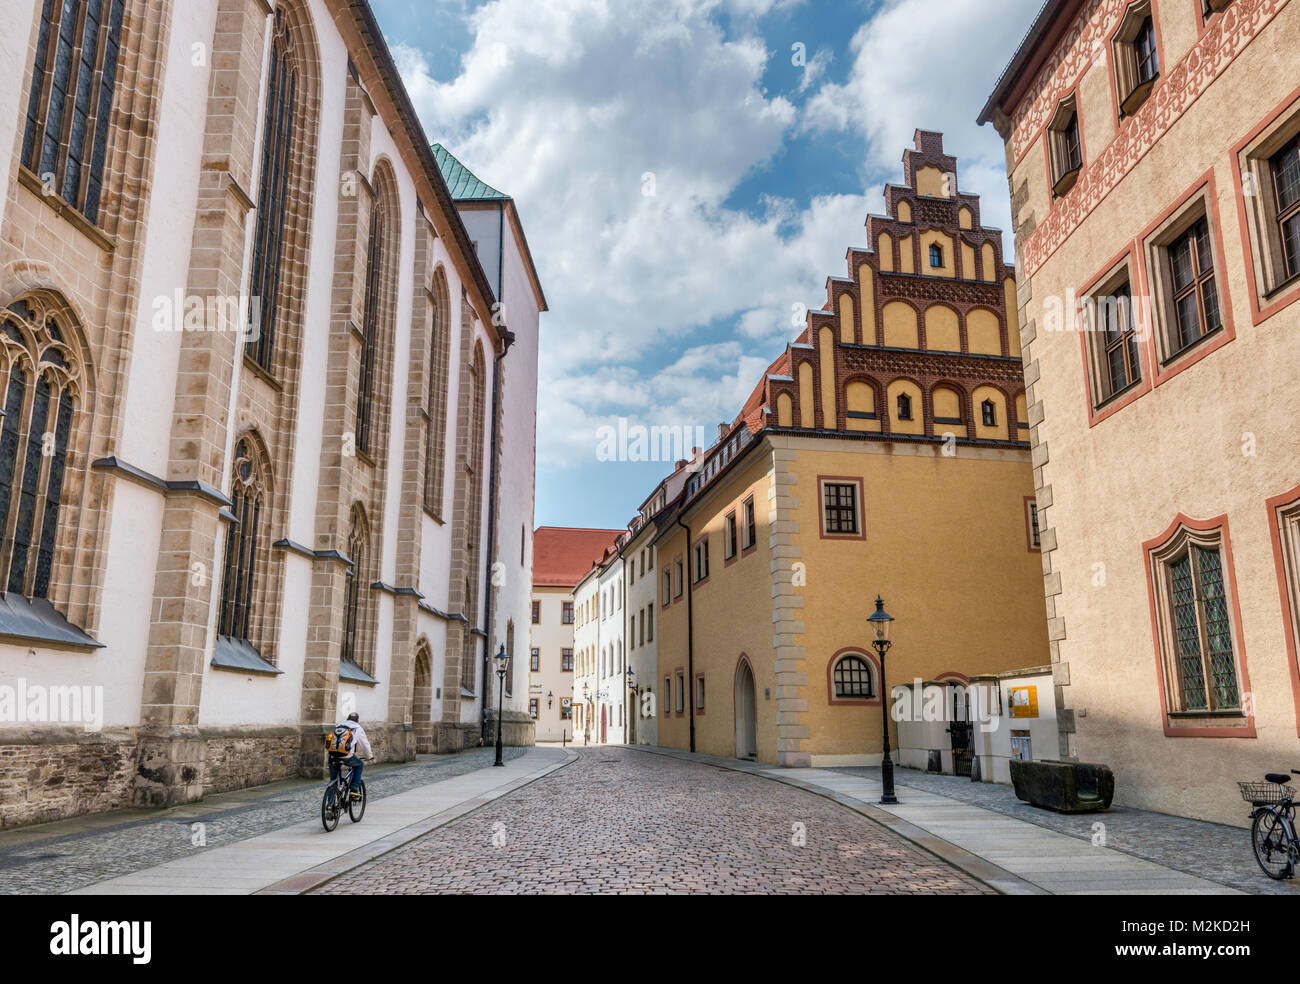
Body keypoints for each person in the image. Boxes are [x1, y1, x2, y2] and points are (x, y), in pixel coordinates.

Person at [327, 711, 373, 799]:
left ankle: (329, 806)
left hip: (333, 756)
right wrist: (369, 756)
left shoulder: (339, 725)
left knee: (333, 781)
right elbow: (365, 744)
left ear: (347, 719)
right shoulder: (358, 728)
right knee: (359, 764)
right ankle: (354, 789)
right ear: (358, 720)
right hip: (346, 756)